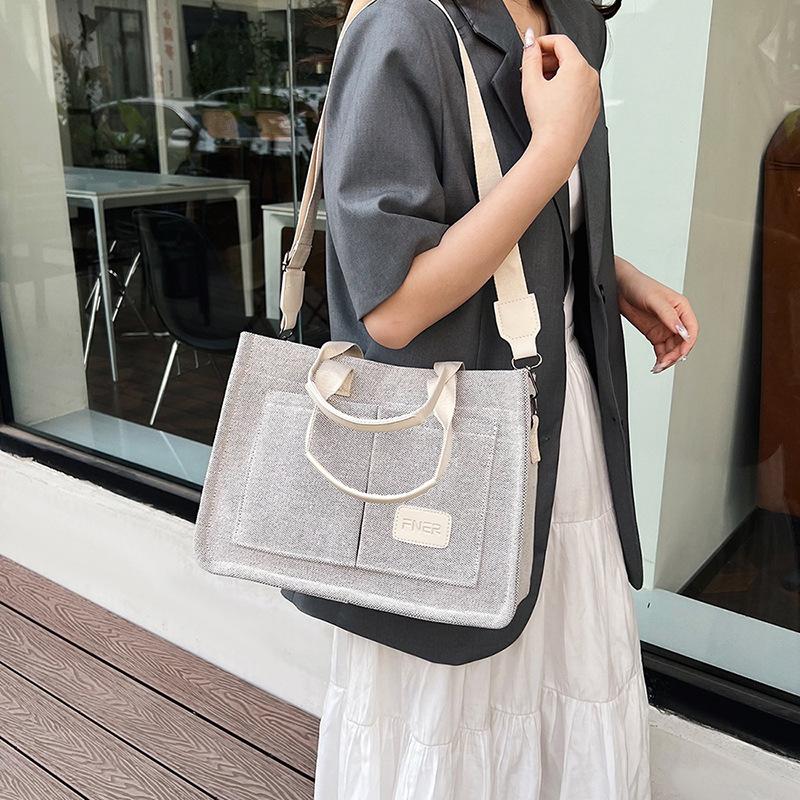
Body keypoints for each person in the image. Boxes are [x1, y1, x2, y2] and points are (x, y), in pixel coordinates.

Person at [282, 0, 700, 796]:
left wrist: (615, 279)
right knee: (458, 724)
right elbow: (393, 306)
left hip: (560, 429)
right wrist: (553, 148)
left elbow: (533, 214)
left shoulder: (571, 16)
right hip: (450, 449)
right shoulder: (403, 25)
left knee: (561, 690)